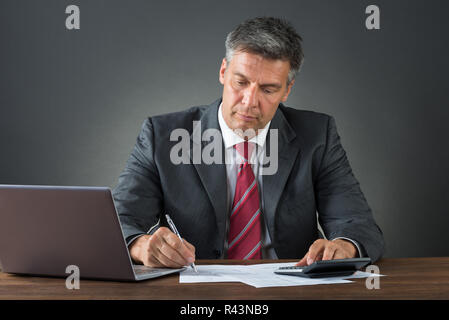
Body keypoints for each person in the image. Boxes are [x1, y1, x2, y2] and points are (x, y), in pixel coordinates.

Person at [112, 17, 385, 269]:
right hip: (195, 290)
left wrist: (344, 246)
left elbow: (358, 225)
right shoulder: (162, 136)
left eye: (268, 89)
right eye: (240, 82)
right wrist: (140, 246)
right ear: (223, 71)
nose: (249, 101)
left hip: (291, 289)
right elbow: (118, 221)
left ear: (287, 90)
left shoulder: (317, 135)